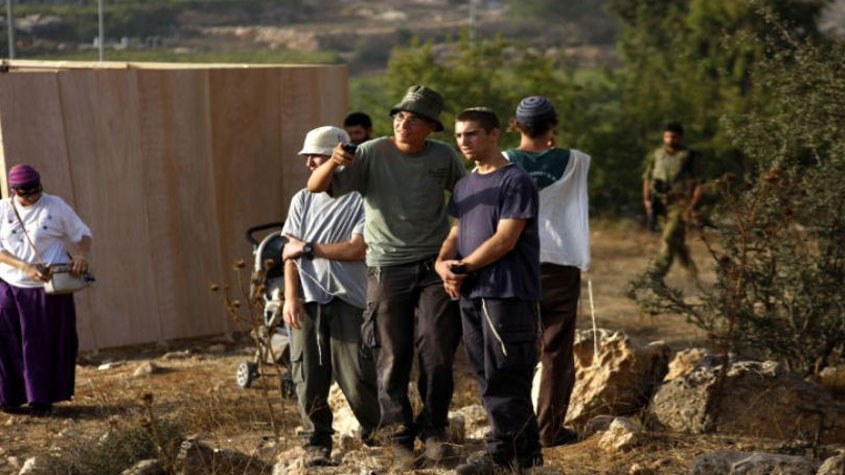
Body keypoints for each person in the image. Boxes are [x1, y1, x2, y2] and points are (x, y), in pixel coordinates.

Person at [307, 85, 466, 469]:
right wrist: (333, 162)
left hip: (433, 266)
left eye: (414, 119)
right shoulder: (372, 152)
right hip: (386, 266)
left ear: (431, 126)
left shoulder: (443, 156)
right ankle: (398, 437)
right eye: (399, 116)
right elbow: (316, 186)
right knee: (391, 354)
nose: (403, 124)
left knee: (438, 350)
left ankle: (435, 430)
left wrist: (456, 248)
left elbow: (466, 202)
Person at [436, 107, 542, 473]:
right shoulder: (465, 184)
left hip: (506, 291)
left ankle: (501, 454)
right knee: (484, 373)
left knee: (506, 373)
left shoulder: (516, 180)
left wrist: (463, 267)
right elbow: (456, 232)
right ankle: (525, 455)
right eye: (458, 135)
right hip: (471, 292)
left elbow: (505, 239)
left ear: (494, 134)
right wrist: (442, 264)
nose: (463, 141)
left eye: (472, 134)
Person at [281, 126, 380, 466]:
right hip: (308, 300)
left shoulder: (362, 197)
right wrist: (290, 297)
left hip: (349, 298)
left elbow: (357, 248)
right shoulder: (302, 199)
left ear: (338, 159)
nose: (309, 163)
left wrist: (309, 248)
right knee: (307, 375)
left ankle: (378, 435)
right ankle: (316, 442)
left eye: (317, 156)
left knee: (357, 376)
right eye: (308, 156)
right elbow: (289, 253)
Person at [504, 96, 591, 447]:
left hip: (514, 260)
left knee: (515, 347)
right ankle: (548, 429)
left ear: (515, 125)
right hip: (561, 262)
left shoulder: (505, 161)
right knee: (555, 350)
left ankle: (513, 426)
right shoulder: (578, 160)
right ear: (553, 124)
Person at [0, 164, 92, 416]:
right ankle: (10, 397)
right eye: (25, 194)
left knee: (42, 344)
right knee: (8, 341)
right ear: (14, 191)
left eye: (36, 191)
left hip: (48, 289)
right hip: (10, 284)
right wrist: (25, 266)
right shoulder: (3, 209)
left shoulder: (55, 205)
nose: (32, 197)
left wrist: (82, 255)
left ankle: (41, 400)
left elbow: (83, 234)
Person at [642, 122, 702, 281]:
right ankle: (692, 275)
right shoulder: (657, 154)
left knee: (669, 238)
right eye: (667, 136)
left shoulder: (688, 156)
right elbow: (648, 178)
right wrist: (647, 200)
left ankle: (656, 276)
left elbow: (699, 182)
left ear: (680, 137)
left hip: (680, 203)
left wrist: (692, 205)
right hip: (659, 204)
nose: (670, 140)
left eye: (674, 136)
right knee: (677, 242)